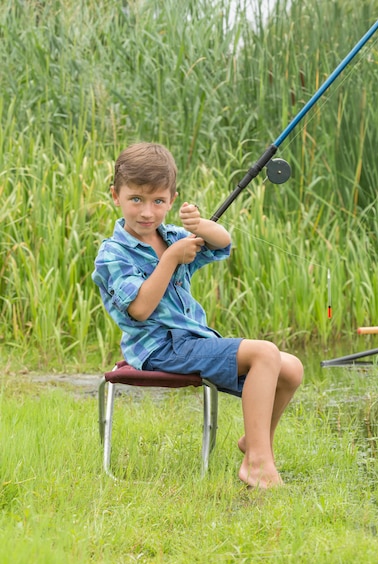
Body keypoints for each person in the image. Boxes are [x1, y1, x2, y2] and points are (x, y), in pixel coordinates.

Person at [92, 142, 303, 488]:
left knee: (291, 368)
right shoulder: (113, 254)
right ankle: (259, 464)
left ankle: (254, 441)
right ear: (116, 196)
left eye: (158, 201)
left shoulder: (172, 236)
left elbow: (222, 244)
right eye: (136, 200)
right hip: (159, 348)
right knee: (265, 352)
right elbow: (141, 309)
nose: (147, 212)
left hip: (191, 342)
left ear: (172, 200)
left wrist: (202, 225)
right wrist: (171, 258)